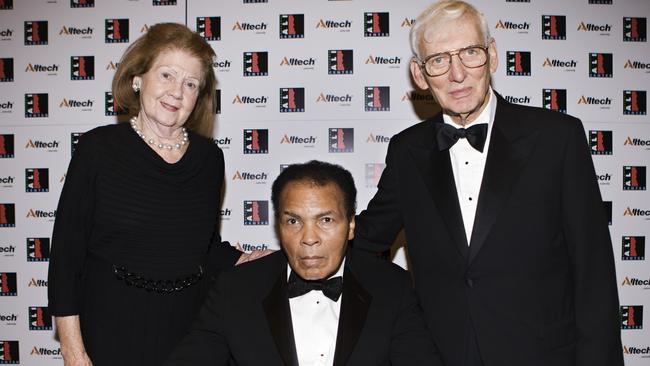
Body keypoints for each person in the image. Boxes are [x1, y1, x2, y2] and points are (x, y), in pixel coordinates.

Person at [354, 1, 623, 366]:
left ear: (492, 56)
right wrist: (280, 255)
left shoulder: (556, 138)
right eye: (439, 60)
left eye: (470, 53)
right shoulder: (407, 151)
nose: (457, 74)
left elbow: (593, 272)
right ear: (419, 74)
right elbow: (366, 238)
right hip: (442, 355)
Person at [47, 23, 267, 366]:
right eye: (166, 75)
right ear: (138, 79)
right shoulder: (99, 149)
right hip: (111, 330)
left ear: (199, 96)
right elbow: (66, 256)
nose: (177, 92)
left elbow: (201, 246)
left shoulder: (209, 159)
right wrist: (74, 353)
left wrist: (244, 259)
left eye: (190, 83)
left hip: (190, 331)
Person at [165, 160, 443, 366]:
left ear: (351, 227)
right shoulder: (236, 289)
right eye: (293, 221)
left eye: (326, 220)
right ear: (278, 226)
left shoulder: (391, 287)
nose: (309, 238)